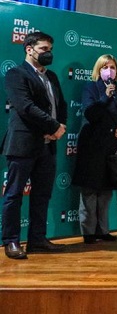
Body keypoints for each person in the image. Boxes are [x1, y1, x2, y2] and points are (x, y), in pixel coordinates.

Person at [2, 32, 67, 260]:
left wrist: (61, 126)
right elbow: (25, 107)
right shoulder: (15, 74)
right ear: (29, 49)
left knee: (42, 195)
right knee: (14, 194)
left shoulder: (53, 77)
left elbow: (61, 106)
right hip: (23, 144)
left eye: (50, 49)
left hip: (48, 146)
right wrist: (53, 125)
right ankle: (10, 241)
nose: (48, 53)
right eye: (43, 48)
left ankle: (37, 239)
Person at [73, 54, 117, 244]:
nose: (110, 71)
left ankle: (103, 230)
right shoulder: (91, 88)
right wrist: (105, 97)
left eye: (113, 67)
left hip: (112, 149)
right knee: (90, 192)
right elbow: (90, 113)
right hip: (92, 147)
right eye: (106, 67)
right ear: (99, 70)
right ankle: (88, 232)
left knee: (106, 192)